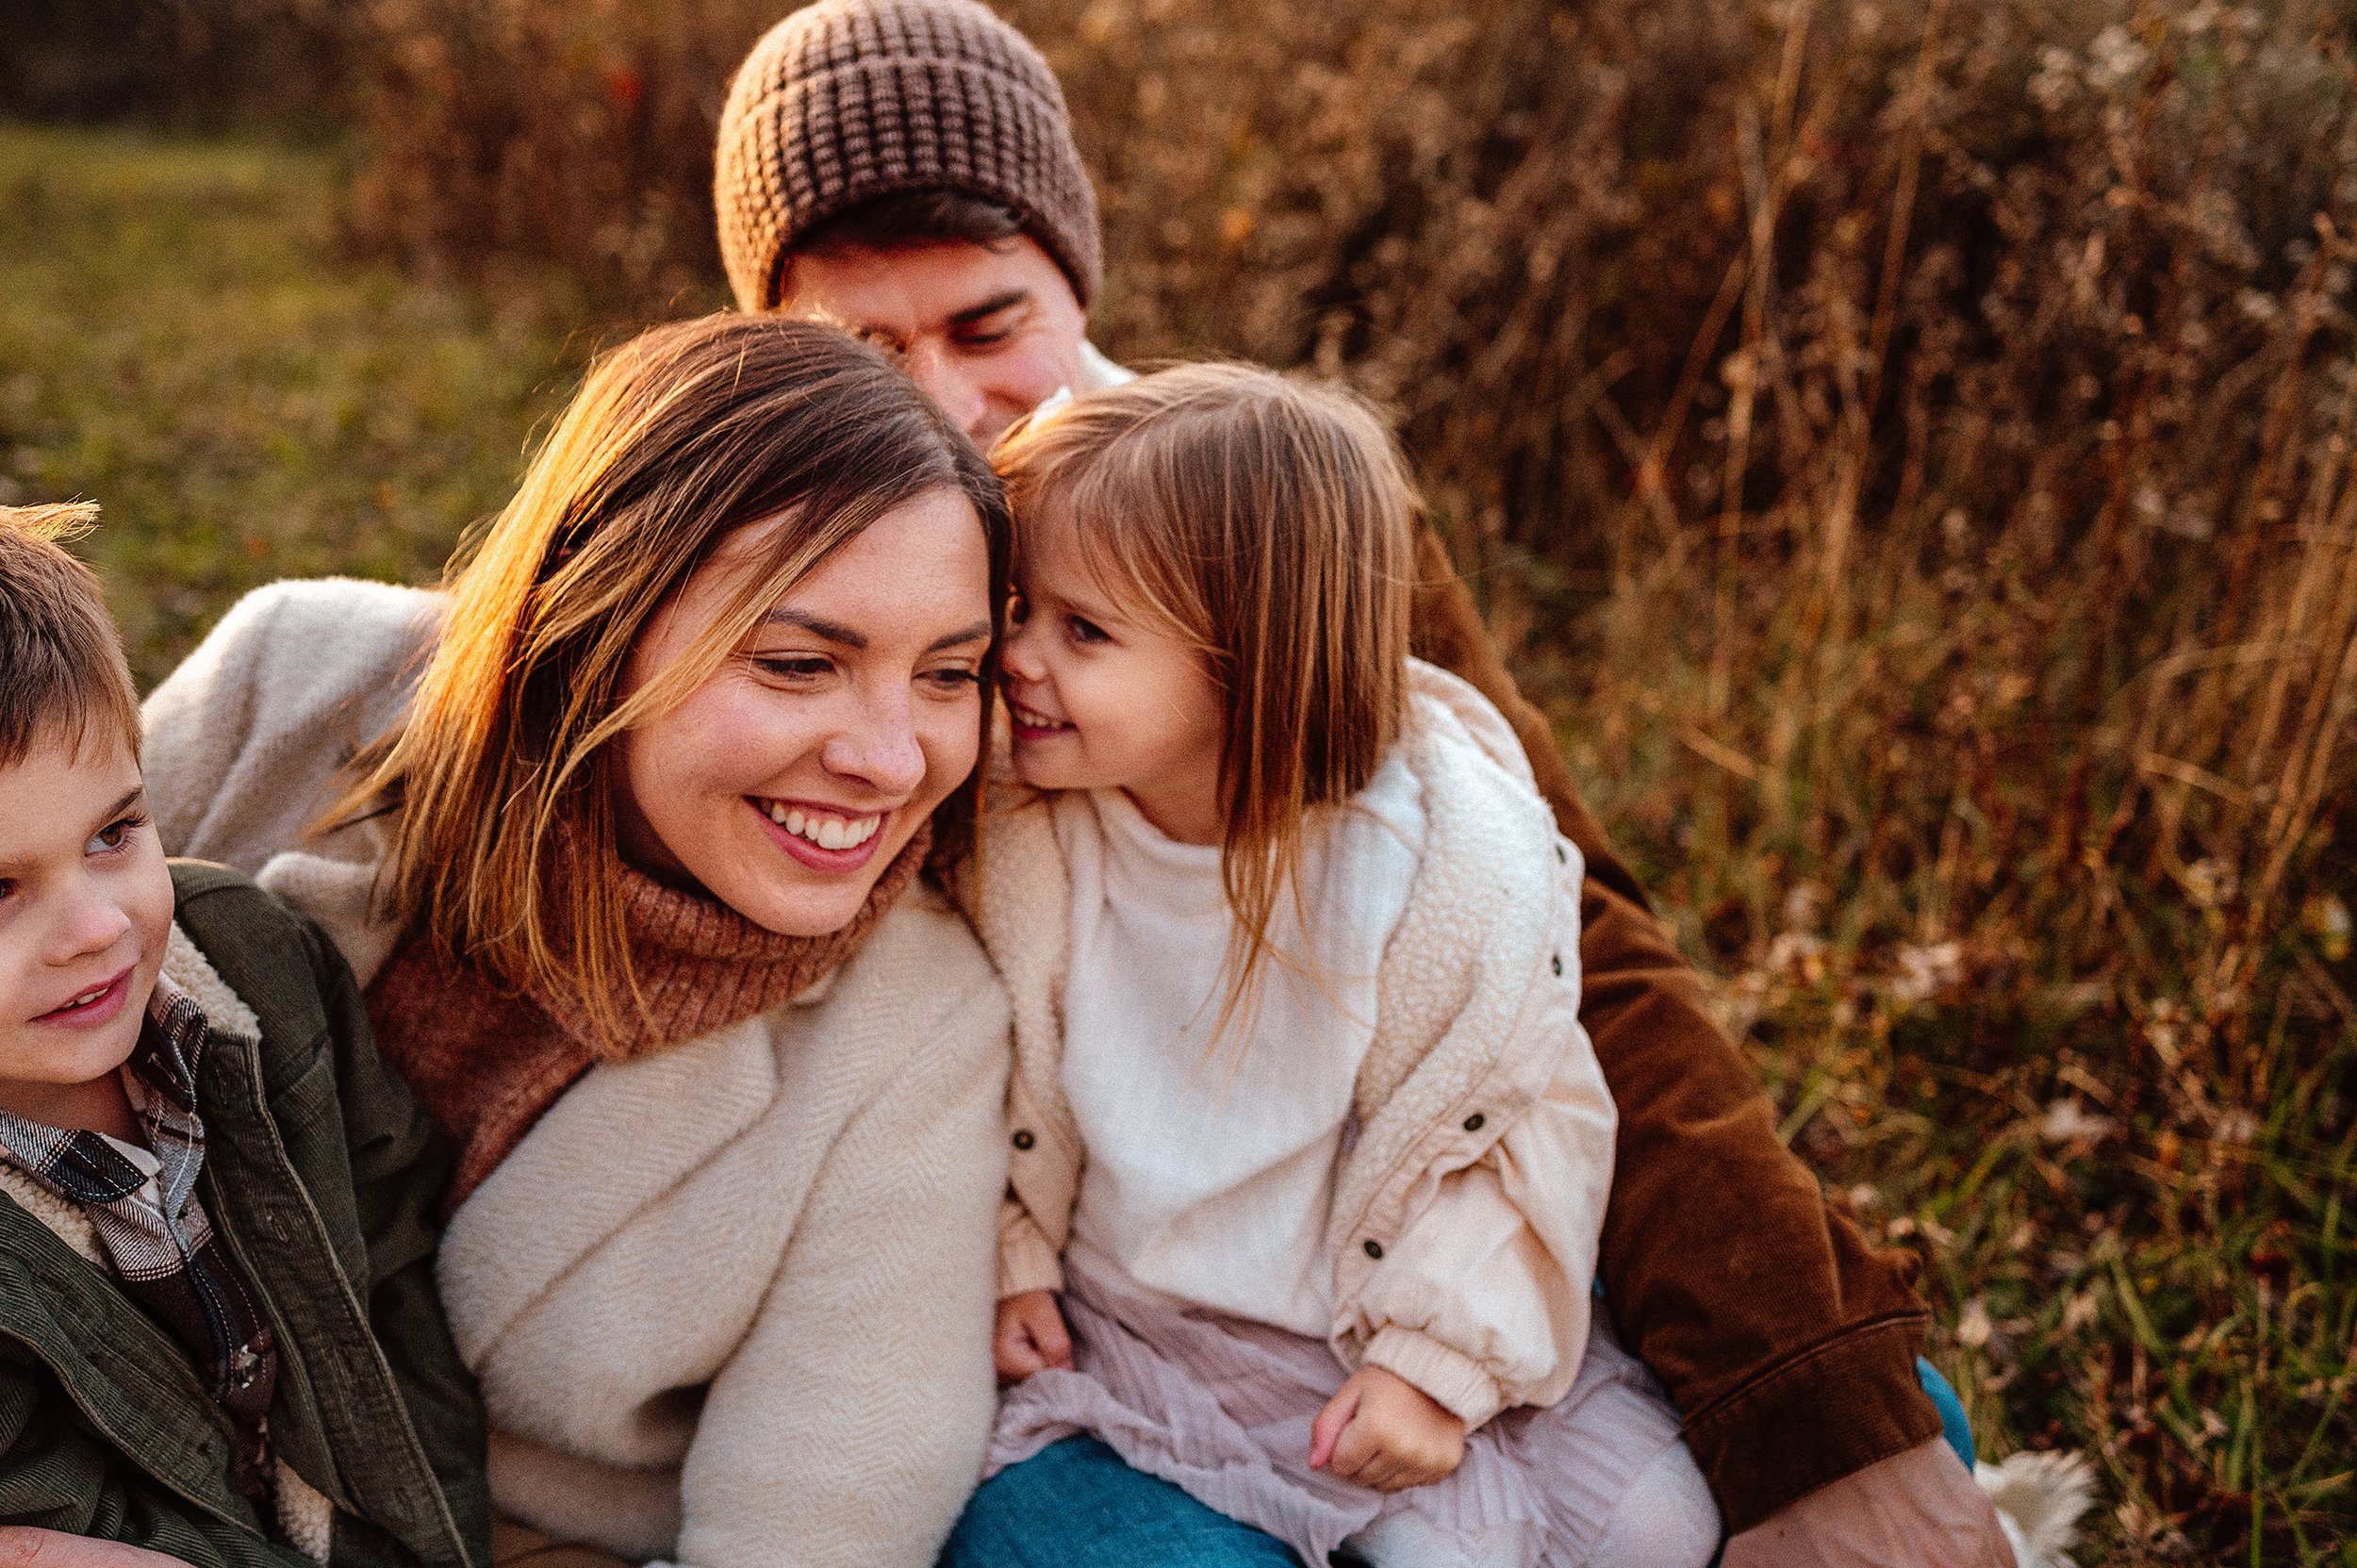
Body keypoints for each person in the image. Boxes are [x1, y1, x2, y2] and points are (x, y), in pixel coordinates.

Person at [713, 2, 2013, 1562]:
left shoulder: (1269, 518)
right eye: (861, 353)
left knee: (1876, 1423)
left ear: (1076, 279)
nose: (946, 403)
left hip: (1388, 1234)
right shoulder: (758, 563)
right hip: (1076, 1307)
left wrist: (1798, 1387)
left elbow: (1563, 936)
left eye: (991, 324)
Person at [136, 316, 1018, 1568]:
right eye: (798, 662)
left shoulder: (921, 1025)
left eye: (949, 674)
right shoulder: (295, 681)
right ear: (598, 622)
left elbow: (818, 1523)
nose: (888, 757)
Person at [946, 365, 1721, 1568]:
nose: (1016, 660)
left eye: (1082, 631)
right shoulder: (1019, 827)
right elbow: (961, 1072)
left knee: (1665, 1528)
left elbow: (1520, 1124)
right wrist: (1009, 1263)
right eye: (1013, 609)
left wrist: (1438, 1361)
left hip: (1384, 1305)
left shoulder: (1428, 862)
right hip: (1150, 1329)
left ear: (1250, 658)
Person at [0, 503, 487, 1568]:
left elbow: (394, 1263)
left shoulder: (251, 964)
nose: (96, 928)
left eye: (113, 833)